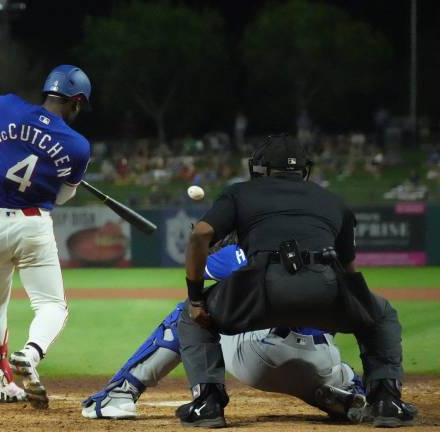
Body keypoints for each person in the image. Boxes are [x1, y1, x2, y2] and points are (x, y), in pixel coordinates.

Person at [177, 134, 416, 427]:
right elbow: (349, 271)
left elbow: (200, 235)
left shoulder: (239, 193)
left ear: (259, 168)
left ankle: (208, 405)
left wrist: (197, 298)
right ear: (304, 170)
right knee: (382, 315)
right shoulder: (332, 200)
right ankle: (386, 402)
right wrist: (361, 311)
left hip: (261, 291)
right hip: (324, 288)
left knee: (191, 317)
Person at [82, 243, 366, 421]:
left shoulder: (242, 250)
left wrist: (212, 247)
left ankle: (121, 394)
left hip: (260, 358)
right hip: (322, 359)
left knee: (193, 309)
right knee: (337, 369)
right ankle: (357, 392)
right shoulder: (322, 253)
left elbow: (196, 270)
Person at [0, 65, 91, 408]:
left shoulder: (7, 106)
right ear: (77, 102)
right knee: (52, 306)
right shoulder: (78, 147)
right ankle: (31, 352)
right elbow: (61, 197)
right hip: (32, 224)